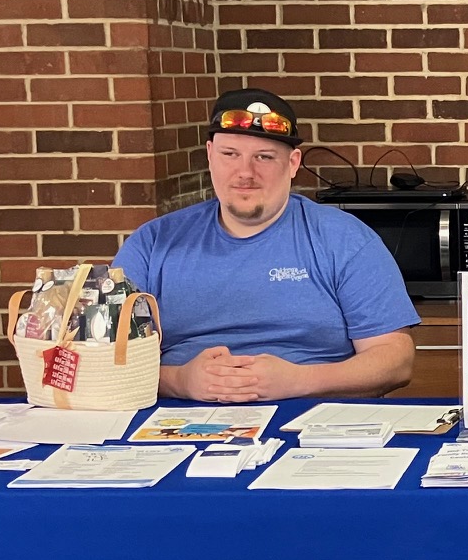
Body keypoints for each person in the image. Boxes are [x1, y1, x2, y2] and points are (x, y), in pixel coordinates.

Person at [113, 88, 419, 402]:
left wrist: (299, 380)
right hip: (174, 422)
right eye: (230, 154)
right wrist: (179, 381)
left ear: (293, 163)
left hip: (314, 420)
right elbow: (102, 360)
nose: (245, 172)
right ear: (210, 155)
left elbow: (395, 361)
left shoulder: (346, 240)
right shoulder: (152, 244)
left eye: (264, 157)